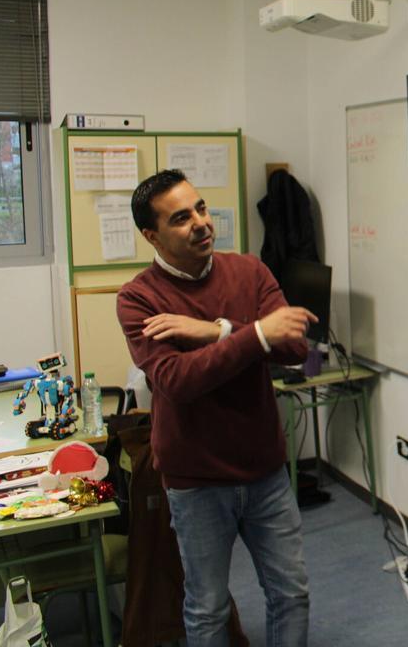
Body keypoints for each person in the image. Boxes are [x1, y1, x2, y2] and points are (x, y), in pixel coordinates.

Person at [116, 169, 318, 647]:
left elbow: (294, 350)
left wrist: (220, 331)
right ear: (152, 235)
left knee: (291, 594)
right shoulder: (138, 299)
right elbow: (178, 381)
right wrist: (258, 334)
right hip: (196, 481)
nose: (201, 224)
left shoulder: (250, 270)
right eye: (182, 218)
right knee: (206, 608)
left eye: (201, 209)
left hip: (265, 471)